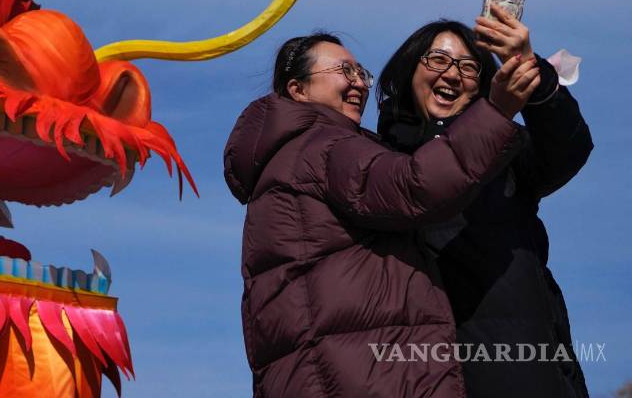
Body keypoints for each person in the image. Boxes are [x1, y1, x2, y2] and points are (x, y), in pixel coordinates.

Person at [223, 32, 539, 398]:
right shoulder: (323, 146)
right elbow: (415, 186)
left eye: (361, 73)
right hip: (366, 378)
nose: (359, 83)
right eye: (345, 71)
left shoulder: (279, 166)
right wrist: (496, 112)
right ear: (298, 89)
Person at [376, 7, 592, 397]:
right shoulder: (375, 163)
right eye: (438, 59)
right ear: (408, 71)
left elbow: (568, 149)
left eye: (468, 67)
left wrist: (530, 70)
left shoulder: (505, 155)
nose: (452, 74)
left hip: (526, 370)